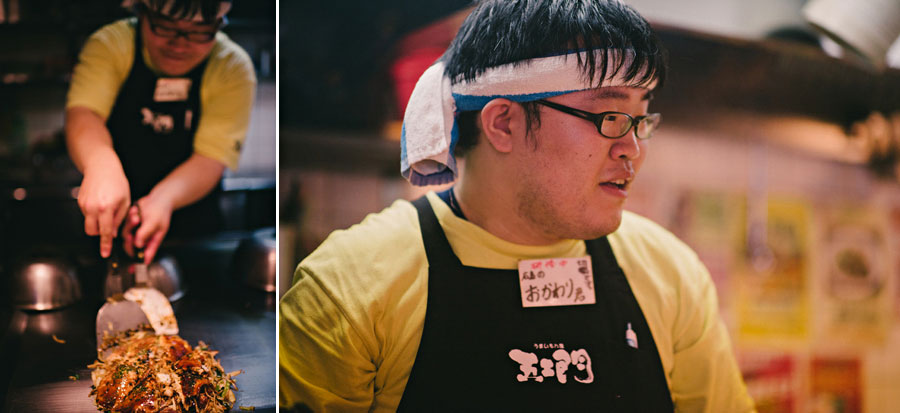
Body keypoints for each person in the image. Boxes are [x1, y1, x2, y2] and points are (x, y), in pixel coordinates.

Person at [279, 0, 755, 411]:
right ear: (503, 122)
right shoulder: (349, 288)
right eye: (610, 115)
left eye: (641, 117)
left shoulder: (670, 274)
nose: (633, 147)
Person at [66, 0, 256, 264]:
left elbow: (211, 158)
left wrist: (162, 199)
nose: (179, 44)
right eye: (165, 28)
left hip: (194, 231)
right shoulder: (111, 44)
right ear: (141, 14)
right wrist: (101, 164)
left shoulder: (232, 67)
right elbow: (83, 115)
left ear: (218, 25)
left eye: (200, 31)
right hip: (106, 216)